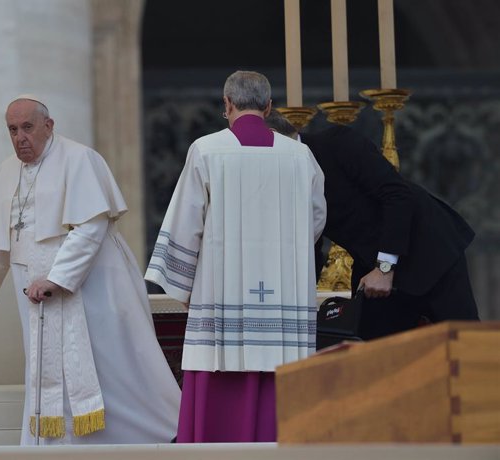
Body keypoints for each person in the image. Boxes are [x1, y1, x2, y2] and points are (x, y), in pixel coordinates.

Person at [0, 96, 180, 445]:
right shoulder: (3, 173)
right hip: (34, 289)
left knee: (113, 368)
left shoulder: (80, 159)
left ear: (48, 126)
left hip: (92, 284)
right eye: (12, 129)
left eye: (27, 127)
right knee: (45, 371)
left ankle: (150, 439)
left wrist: (58, 278)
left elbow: (91, 227)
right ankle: (55, 446)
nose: (20, 137)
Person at [145, 71, 326, 442]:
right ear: (269, 106)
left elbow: (186, 221)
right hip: (284, 298)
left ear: (226, 104)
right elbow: (316, 217)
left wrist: (184, 285)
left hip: (222, 296)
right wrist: (287, 255)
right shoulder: (300, 155)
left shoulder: (207, 149)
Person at [266, 110, 479, 340]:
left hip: (429, 251)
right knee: (371, 354)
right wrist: (302, 302)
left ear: (273, 135)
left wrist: (385, 268)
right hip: (371, 264)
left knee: (468, 346)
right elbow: (311, 242)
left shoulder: (336, 142)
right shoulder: (286, 181)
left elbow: (397, 195)